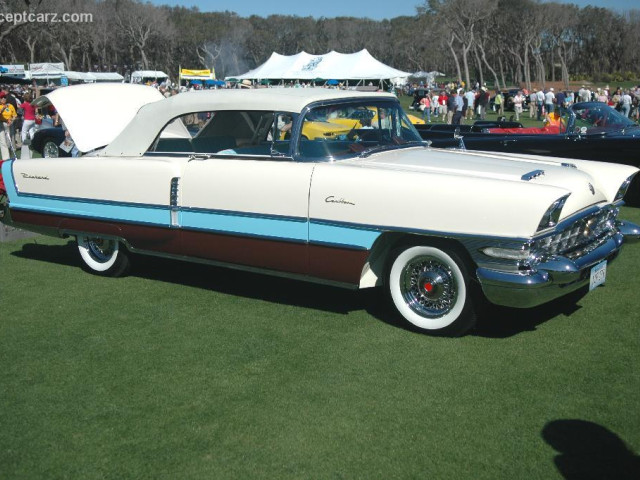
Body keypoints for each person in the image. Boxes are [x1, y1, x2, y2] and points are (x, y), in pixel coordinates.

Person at [18, 92, 37, 159]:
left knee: (24, 132)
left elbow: (19, 108)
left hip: (27, 120)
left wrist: (19, 104)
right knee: (32, 132)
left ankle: (24, 143)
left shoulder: (25, 104)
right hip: (33, 120)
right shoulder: (33, 104)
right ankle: (33, 142)